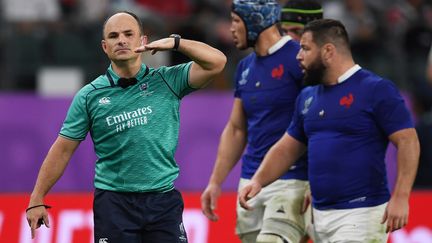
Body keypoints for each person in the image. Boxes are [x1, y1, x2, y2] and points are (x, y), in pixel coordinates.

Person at [25, 11, 226, 242]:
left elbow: (217, 63)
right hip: (114, 205)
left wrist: (176, 43)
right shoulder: (89, 96)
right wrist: (37, 197)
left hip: (162, 202)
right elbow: (62, 149)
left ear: (143, 41)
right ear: (104, 47)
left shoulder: (167, 80)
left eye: (128, 34)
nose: (121, 40)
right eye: (113, 36)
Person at [239, 19, 420, 242]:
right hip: (318, 217)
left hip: (361, 214)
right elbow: (287, 147)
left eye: (305, 48)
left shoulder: (376, 89)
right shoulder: (307, 97)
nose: (298, 56)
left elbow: (408, 141)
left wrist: (401, 196)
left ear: (328, 51)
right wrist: (258, 181)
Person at [200, 1, 310, 242]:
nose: (231, 29)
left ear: (255, 23)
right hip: (249, 182)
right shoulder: (244, 67)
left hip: (291, 179)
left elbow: (317, 123)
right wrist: (215, 182)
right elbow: (237, 129)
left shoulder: (298, 59)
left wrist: (317, 180)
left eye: (236, 21)